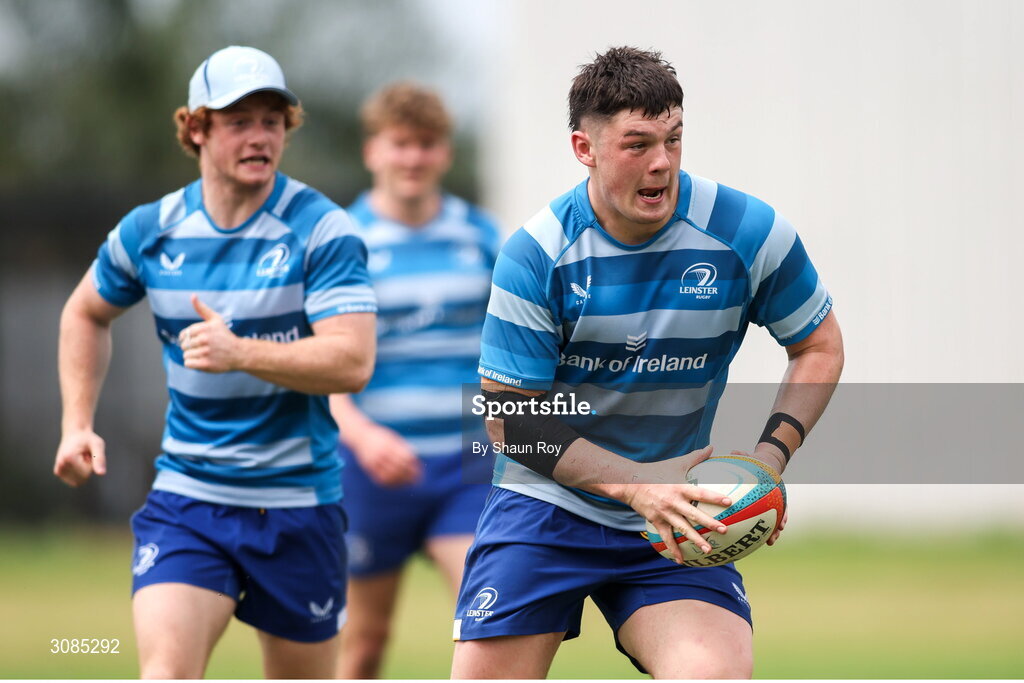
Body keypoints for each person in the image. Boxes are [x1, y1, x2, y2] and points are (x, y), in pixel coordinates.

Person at [450, 46, 844, 679]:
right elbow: (509, 420)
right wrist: (636, 486)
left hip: (678, 511)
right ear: (585, 148)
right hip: (547, 502)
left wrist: (767, 461)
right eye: (637, 144)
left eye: (674, 138)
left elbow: (819, 346)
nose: (661, 162)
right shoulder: (536, 254)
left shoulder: (748, 232)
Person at [52, 46, 377, 678]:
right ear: (197, 128)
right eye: (239, 121)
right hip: (189, 500)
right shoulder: (151, 229)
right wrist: (75, 423)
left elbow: (352, 361)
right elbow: (83, 313)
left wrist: (240, 353)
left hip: (297, 505)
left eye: (272, 121)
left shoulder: (321, 230)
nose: (260, 136)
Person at [329, 82, 501, 678]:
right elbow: (325, 364)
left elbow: (516, 349)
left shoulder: (482, 238)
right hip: (371, 465)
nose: (413, 158)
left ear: (445, 153)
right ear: (373, 150)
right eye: (401, 144)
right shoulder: (342, 241)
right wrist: (361, 436)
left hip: (468, 460)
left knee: (488, 618)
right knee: (365, 644)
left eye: (426, 145)